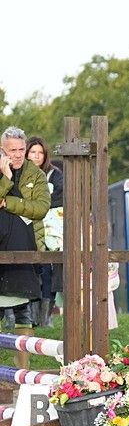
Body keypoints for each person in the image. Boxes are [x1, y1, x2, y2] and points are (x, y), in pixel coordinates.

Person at [0, 127, 50, 363]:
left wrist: (8, 202)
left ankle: (23, 368)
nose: (18, 154)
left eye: (21, 149)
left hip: (25, 248)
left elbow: (41, 208)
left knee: (23, 310)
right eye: (13, 150)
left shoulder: (36, 174)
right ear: (2, 150)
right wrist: (6, 179)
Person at [25, 136, 63, 327]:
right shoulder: (19, 173)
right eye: (33, 152)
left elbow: (62, 197)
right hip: (26, 227)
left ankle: (44, 317)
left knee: (48, 271)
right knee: (27, 270)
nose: (37, 156)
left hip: (50, 231)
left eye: (40, 152)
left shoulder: (55, 174)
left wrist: (37, 204)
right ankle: (25, 316)